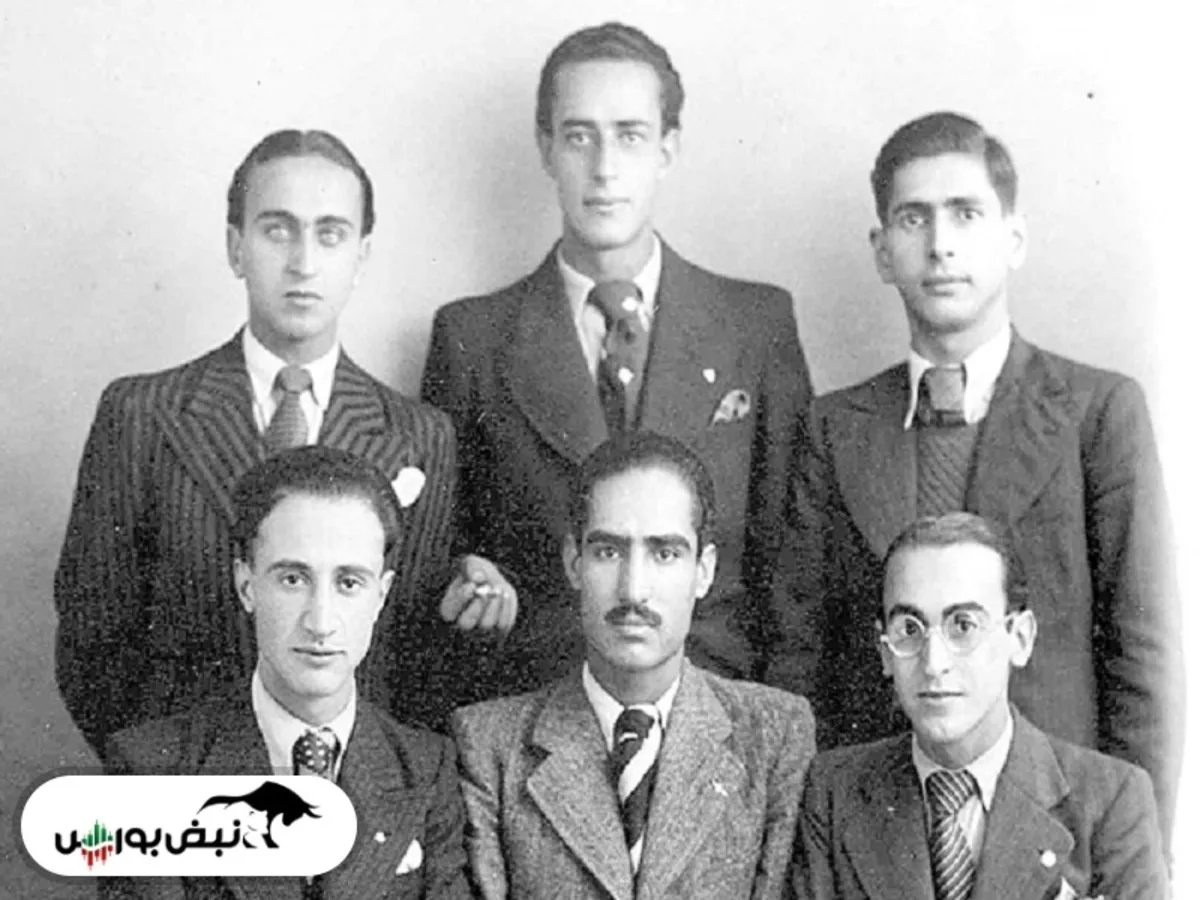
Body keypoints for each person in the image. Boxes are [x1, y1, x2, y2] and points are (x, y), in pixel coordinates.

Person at [768, 111, 1182, 848]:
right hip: (876, 843)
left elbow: (1142, 661)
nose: (941, 244)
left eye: (966, 213)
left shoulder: (1096, 414)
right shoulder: (833, 429)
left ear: (1013, 238)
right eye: (913, 218)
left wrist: (1129, 860)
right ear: (882, 251)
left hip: (1053, 838)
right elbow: (796, 663)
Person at [421, 21, 811, 724]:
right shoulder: (473, 339)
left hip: (721, 713)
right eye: (579, 136)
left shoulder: (756, 325)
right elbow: (447, 553)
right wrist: (471, 579)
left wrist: (775, 734)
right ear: (545, 148)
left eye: (630, 135)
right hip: (539, 715)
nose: (604, 168)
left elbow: (794, 572)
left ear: (668, 148)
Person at [54, 129, 457, 756]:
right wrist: (159, 770)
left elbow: (414, 658)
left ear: (361, 256)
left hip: (348, 784)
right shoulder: (143, 415)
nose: (303, 263)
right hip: (185, 786)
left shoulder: (419, 436)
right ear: (236, 247)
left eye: (330, 234)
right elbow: (92, 642)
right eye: (277, 230)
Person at [453, 432, 815, 900]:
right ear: (573, 563)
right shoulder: (490, 745)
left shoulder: (773, 735)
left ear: (703, 571)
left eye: (665, 554)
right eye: (608, 552)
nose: (633, 589)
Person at [102, 446, 470, 899]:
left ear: (381, 596)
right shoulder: (150, 772)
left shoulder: (426, 768)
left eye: (349, 583)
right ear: (247, 586)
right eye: (293, 579)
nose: (321, 622)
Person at [792, 513, 1168, 900]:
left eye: (963, 626)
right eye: (909, 629)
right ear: (884, 651)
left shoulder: (1111, 802)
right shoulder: (833, 794)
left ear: (1020, 638)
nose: (934, 663)